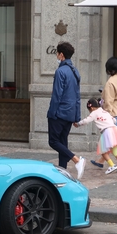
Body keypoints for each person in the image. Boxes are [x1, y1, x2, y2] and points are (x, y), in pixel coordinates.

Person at [47, 42, 86, 179]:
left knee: (53, 141)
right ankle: (63, 173)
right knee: (62, 142)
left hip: (59, 113)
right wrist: (77, 116)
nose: (57, 56)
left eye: (57, 53)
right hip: (70, 114)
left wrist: (51, 113)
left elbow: (56, 95)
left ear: (61, 55)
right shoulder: (75, 71)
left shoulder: (60, 71)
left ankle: (76, 159)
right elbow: (77, 95)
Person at [90, 57, 117, 171]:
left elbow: (108, 102)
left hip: (115, 113)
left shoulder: (110, 82)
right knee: (111, 137)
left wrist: (107, 116)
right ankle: (101, 161)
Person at [75, 98, 117, 178]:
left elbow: (86, 120)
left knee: (103, 151)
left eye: (89, 110)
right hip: (115, 130)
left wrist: (78, 124)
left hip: (106, 132)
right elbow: (114, 120)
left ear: (92, 108)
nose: (90, 111)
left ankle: (112, 165)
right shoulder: (105, 112)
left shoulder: (94, 113)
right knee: (115, 151)